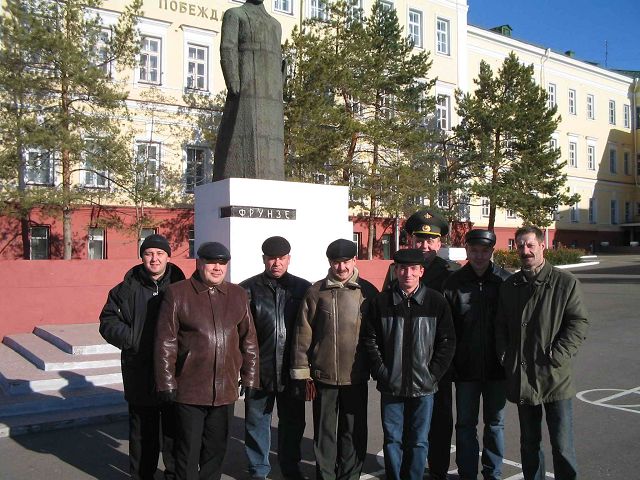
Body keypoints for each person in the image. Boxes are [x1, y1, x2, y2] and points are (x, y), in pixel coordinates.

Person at [154, 241, 259, 480]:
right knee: (187, 452)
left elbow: (249, 340)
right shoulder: (177, 293)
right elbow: (165, 343)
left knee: (216, 452)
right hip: (189, 390)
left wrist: (251, 377)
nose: (217, 268)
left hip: (225, 390)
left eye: (222, 263)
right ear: (199, 263)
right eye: (212, 262)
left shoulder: (238, 294)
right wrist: (166, 382)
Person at [496, 226, 589, 480]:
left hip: (555, 378)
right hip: (523, 378)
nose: (525, 251)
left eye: (530, 245)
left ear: (542, 246)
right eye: (520, 246)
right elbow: (500, 325)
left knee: (562, 444)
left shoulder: (565, 283)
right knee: (529, 444)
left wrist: (558, 356)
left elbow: (578, 323)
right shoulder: (510, 285)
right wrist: (505, 355)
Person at [361, 249, 455, 480]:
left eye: (413, 269)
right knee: (393, 439)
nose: (408, 274)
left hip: (424, 386)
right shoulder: (381, 302)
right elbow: (370, 340)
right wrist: (382, 372)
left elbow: (447, 341)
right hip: (391, 386)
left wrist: (433, 374)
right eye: (403, 268)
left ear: (421, 271)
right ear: (396, 270)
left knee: (419, 441)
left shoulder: (436, 301)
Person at [290, 238, 378, 480]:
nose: (341, 267)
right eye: (336, 262)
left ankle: (350, 475)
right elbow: (303, 333)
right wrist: (301, 370)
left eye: (346, 261)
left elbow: (378, 333)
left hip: (356, 376)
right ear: (329, 262)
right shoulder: (315, 292)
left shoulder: (368, 292)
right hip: (323, 376)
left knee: (353, 431)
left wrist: (377, 367)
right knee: (324, 432)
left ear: (355, 260)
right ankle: (326, 475)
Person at [99, 234, 185, 480]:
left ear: (168, 256)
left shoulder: (182, 287)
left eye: (160, 254)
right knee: (142, 432)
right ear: (142, 257)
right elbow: (108, 321)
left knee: (174, 430)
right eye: (149, 253)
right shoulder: (125, 289)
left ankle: (173, 475)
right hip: (139, 369)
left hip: (174, 370)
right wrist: (133, 339)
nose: (154, 259)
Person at [384, 208, 459, 479]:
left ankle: (437, 471)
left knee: (439, 422)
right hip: (402, 362)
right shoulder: (395, 270)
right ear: (410, 240)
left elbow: (455, 322)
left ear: (439, 243)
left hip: (436, 362)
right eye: (419, 239)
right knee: (403, 425)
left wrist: (441, 364)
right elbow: (385, 313)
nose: (425, 246)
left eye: (431, 240)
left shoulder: (452, 272)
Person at [239, 236, 311, 480]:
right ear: (264, 259)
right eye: (271, 258)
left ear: (289, 259)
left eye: (281, 258)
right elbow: (240, 333)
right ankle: (258, 470)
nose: (276, 263)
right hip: (259, 370)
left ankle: (291, 468)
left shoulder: (303, 289)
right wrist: (244, 369)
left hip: (293, 370)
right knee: (256, 423)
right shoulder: (247, 289)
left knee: (293, 423)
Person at [442, 230, 511, 480]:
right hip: (465, 369)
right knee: (465, 425)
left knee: (495, 425)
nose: (479, 256)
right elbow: (446, 329)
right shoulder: (454, 283)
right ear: (467, 251)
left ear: (492, 251)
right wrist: (450, 364)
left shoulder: (505, 281)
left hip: (497, 368)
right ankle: (467, 474)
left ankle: (493, 473)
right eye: (474, 251)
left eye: (484, 251)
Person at [213, 0, 285, 181]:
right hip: (246, 85)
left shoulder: (275, 25)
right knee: (241, 134)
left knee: (271, 141)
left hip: (272, 93)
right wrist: (232, 79)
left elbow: (278, 60)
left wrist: (280, 81)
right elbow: (227, 47)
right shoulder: (235, 14)